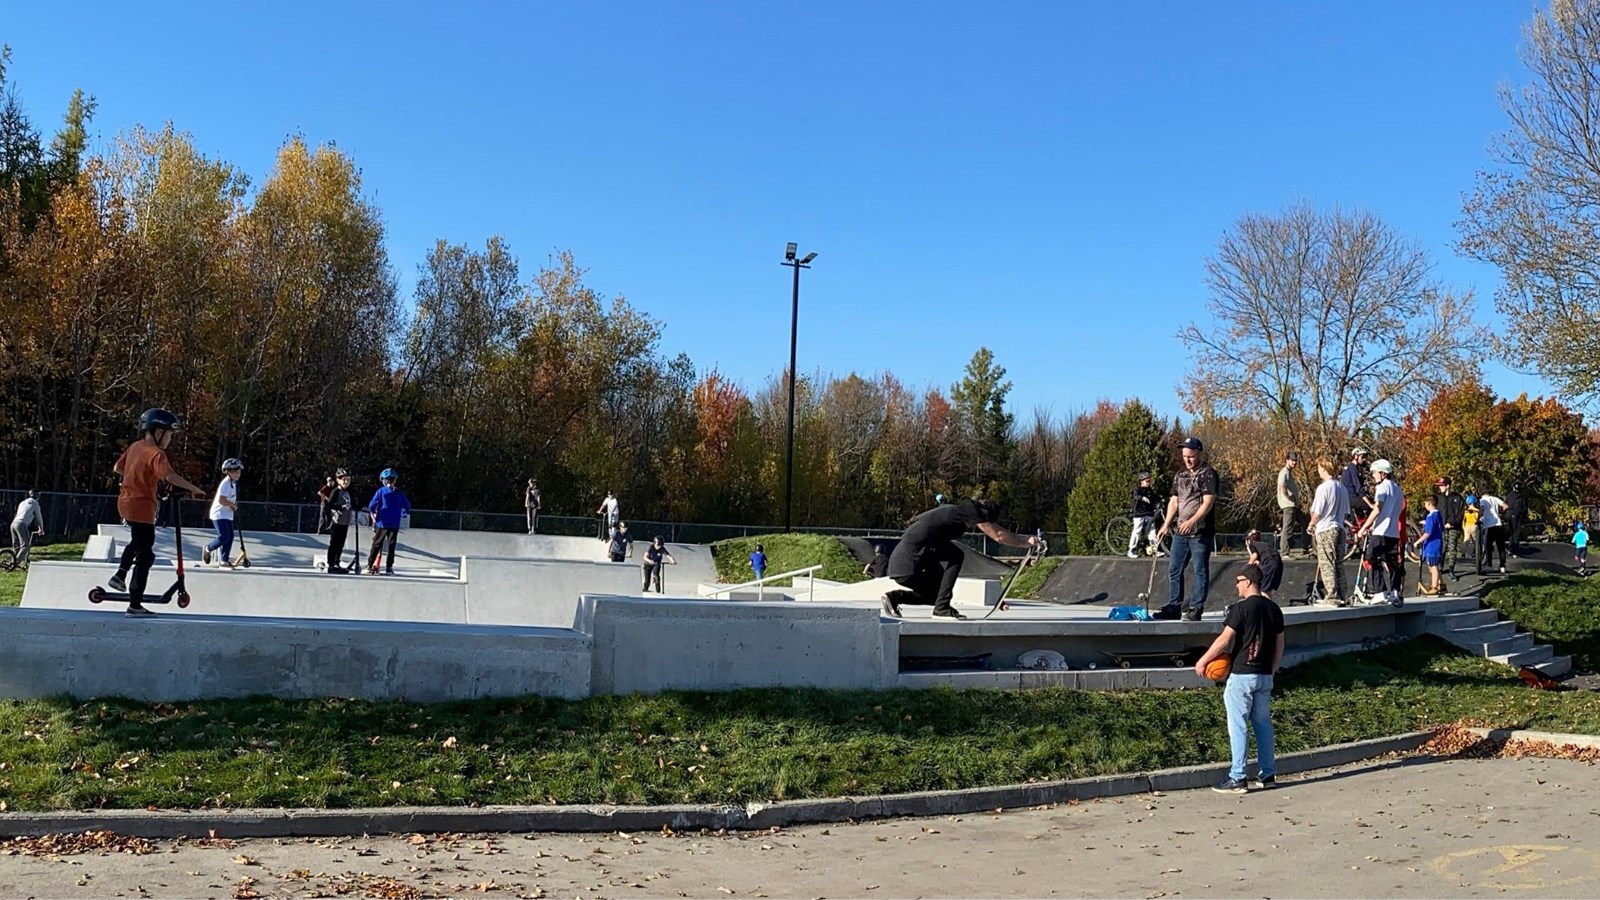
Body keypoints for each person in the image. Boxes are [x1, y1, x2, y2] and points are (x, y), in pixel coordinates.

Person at [106, 409, 208, 617]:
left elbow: (118, 467)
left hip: (125, 502)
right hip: (142, 507)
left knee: (138, 543)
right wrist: (194, 488)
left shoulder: (135, 447)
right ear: (159, 432)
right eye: (169, 434)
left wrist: (138, 476)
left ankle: (120, 575)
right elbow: (169, 476)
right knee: (145, 556)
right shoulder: (156, 453)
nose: (170, 439)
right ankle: (134, 605)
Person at [1194, 563, 1284, 794]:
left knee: (1238, 725)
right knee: (1263, 725)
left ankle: (1238, 777)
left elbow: (1224, 640)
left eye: (1238, 581)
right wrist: (1272, 671)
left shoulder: (1240, 608)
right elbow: (1279, 645)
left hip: (1242, 674)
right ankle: (1268, 774)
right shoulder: (1274, 609)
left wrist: (1203, 661)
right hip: (1264, 675)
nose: (1236, 586)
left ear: (1248, 582)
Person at [881, 497, 1038, 620]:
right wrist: (1024, 542)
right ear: (984, 515)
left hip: (910, 558)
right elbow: (998, 535)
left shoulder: (958, 511)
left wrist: (1021, 542)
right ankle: (942, 608)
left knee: (936, 595)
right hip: (910, 562)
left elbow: (995, 528)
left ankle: (894, 598)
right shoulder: (971, 512)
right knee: (956, 555)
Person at [1154, 437, 1218, 621]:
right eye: (1184, 456)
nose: (1187, 460)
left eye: (1191, 456)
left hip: (1200, 532)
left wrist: (1193, 521)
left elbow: (1208, 502)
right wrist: (1166, 525)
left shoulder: (1208, 474)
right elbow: (1174, 501)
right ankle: (1174, 606)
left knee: (1200, 570)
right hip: (1180, 532)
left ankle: (1196, 608)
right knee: (1174, 569)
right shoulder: (1180, 475)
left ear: (1198, 453)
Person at [1353, 458, 1405, 605]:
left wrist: (1364, 528)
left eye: (1375, 472)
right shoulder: (1398, 489)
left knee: (1370, 559)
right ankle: (1394, 592)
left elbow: (1378, 509)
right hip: (1393, 532)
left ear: (1383, 473)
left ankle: (1380, 591)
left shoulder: (1382, 487)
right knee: (1392, 563)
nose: (1373, 475)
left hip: (1381, 532)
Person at [1306, 457, 1350, 606]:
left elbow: (1317, 512)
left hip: (1326, 529)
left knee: (1327, 563)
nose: (1318, 471)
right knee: (1339, 563)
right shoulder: (1342, 488)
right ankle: (1343, 594)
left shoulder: (1323, 488)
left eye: (1319, 468)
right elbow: (1346, 512)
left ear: (1324, 469)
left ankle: (1331, 596)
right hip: (1340, 528)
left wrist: (1311, 525)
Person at [366, 468, 411, 575]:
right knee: (391, 545)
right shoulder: (399, 493)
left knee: (376, 544)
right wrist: (403, 514)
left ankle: (369, 565)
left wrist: (372, 511)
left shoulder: (381, 491)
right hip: (393, 523)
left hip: (382, 523)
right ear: (394, 480)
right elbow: (407, 506)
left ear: (383, 481)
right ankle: (389, 567)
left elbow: (372, 504)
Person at [201, 459, 243, 568]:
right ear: (228, 472)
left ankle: (224, 559)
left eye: (239, 472)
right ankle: (208, 548)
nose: (238, 474)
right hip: (219, 514)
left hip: (227, 514)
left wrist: (233, 505)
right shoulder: (226, 484)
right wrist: (232, 505)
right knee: (224, 536)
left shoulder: (232, 483)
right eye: (236, 472)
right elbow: (221, 500)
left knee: (230, 537)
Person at [322, 468, 354, 573]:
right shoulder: (335, 491)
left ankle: (337, 562)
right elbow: (329, 504)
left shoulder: (348, 492)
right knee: (334, 543)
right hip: (336, 521)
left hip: (345, 522)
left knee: (341, 544)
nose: (346, 482)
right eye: (344, 480)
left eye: (348, 480)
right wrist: (340, 507)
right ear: (338, 480)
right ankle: (331, 564)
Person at [1433, 477, 1466, 578]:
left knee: (1452, 549)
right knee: (1441, 548)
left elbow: (1461, 513)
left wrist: (1452, 522)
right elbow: (1433, 510)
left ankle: (1451, 569)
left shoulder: (1457, 498)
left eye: (1442, 486)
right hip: (1441, 528)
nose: (1440, 488)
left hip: (1453, 527)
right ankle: (1440, 567)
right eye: (1439, 486)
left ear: (1447, 486)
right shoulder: (1438, 498)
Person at [1414, 496, 1444, 595]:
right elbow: (1439, 526)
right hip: (1437, 543)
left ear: (1429, 504)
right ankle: (1441, 584)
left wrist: (1418, 541)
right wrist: (1426, 523)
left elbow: (1428, 533)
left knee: (1433, 567)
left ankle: (1434, 587)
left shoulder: (1430, 516)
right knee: (1434, 565)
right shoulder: (1437, 514)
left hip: (1432, 545)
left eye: (1425, 504)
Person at [1128, 472, 1162, 558]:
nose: (1149, 483)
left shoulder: (1149, 489)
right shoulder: (1138, 489)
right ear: (1141, 481)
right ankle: (1131, 550)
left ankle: (1154, 550)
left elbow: (1155, 496)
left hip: (1149, 513)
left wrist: (1162, 499)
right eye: (1147, 481)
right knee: (1137, 531)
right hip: (1139, 514)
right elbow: (1135, 496)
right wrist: (1142, 498)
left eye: (1149, 481)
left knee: (1152, 531)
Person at [1477, 489, 1510, 576]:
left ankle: (1489, 564)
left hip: (1489, 525)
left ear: (1482, 494)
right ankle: (1502, 565)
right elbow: (1506, 506)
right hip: (1498, 524)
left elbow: (1482, 509)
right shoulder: (1495, 498)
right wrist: (1501, 513)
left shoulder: (1483, 500)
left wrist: (1478, 519)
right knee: (1501, 546)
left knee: (1488, 545)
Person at [1276, 451, 1303, 557]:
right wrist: (1287, 496)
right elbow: (1282, 485)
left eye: (1296, 460)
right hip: (1288, 505)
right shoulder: (1284, 472)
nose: (1294, 462)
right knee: (1287, 528)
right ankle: (1284, 552)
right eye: (1292, 460)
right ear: (1287, 460)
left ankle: (1307, 546)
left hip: (1293, 505)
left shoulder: (1289, 473)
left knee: (1305, 522)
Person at [1245, 528, 1282, 599]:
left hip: (1270, 564)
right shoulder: (1264, 545)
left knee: (1263, 590)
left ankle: (1266, 606)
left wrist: (1247, 568)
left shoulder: (1252, 545)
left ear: (1248, 540)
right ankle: (1269, 604)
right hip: (1278, 564)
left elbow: (1254, 556)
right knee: (1267, 589)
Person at [10, 489, 43, 567]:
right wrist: (41, 529)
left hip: (13, 523)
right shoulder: (35, 504)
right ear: (37, 496)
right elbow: (39, 518)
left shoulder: (23, 502)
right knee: (25, 546)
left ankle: (12, 562)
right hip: (21, 524)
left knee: (16, 546)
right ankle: (14, 564)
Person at [1505, 483, 1527, 556]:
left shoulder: (1509, 495)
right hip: (1517, 515)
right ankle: (1513, 549)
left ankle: (1511, 549)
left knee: (1511, 533)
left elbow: (1505, 504)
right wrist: (1523, 517)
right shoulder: (1522, 496)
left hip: (1510, 514)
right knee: (1516, 533)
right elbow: (1524, 508)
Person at [1463, 491, 1480, 560]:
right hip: (1474, 525)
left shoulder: (1465, 511)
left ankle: (1464, 552)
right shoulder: (1477, 511)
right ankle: (1476, 552)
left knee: (1466, 539)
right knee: (1476, 540)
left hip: (1467, 526)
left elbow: (1463, 520)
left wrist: (1463, 527)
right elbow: (1479, 519)